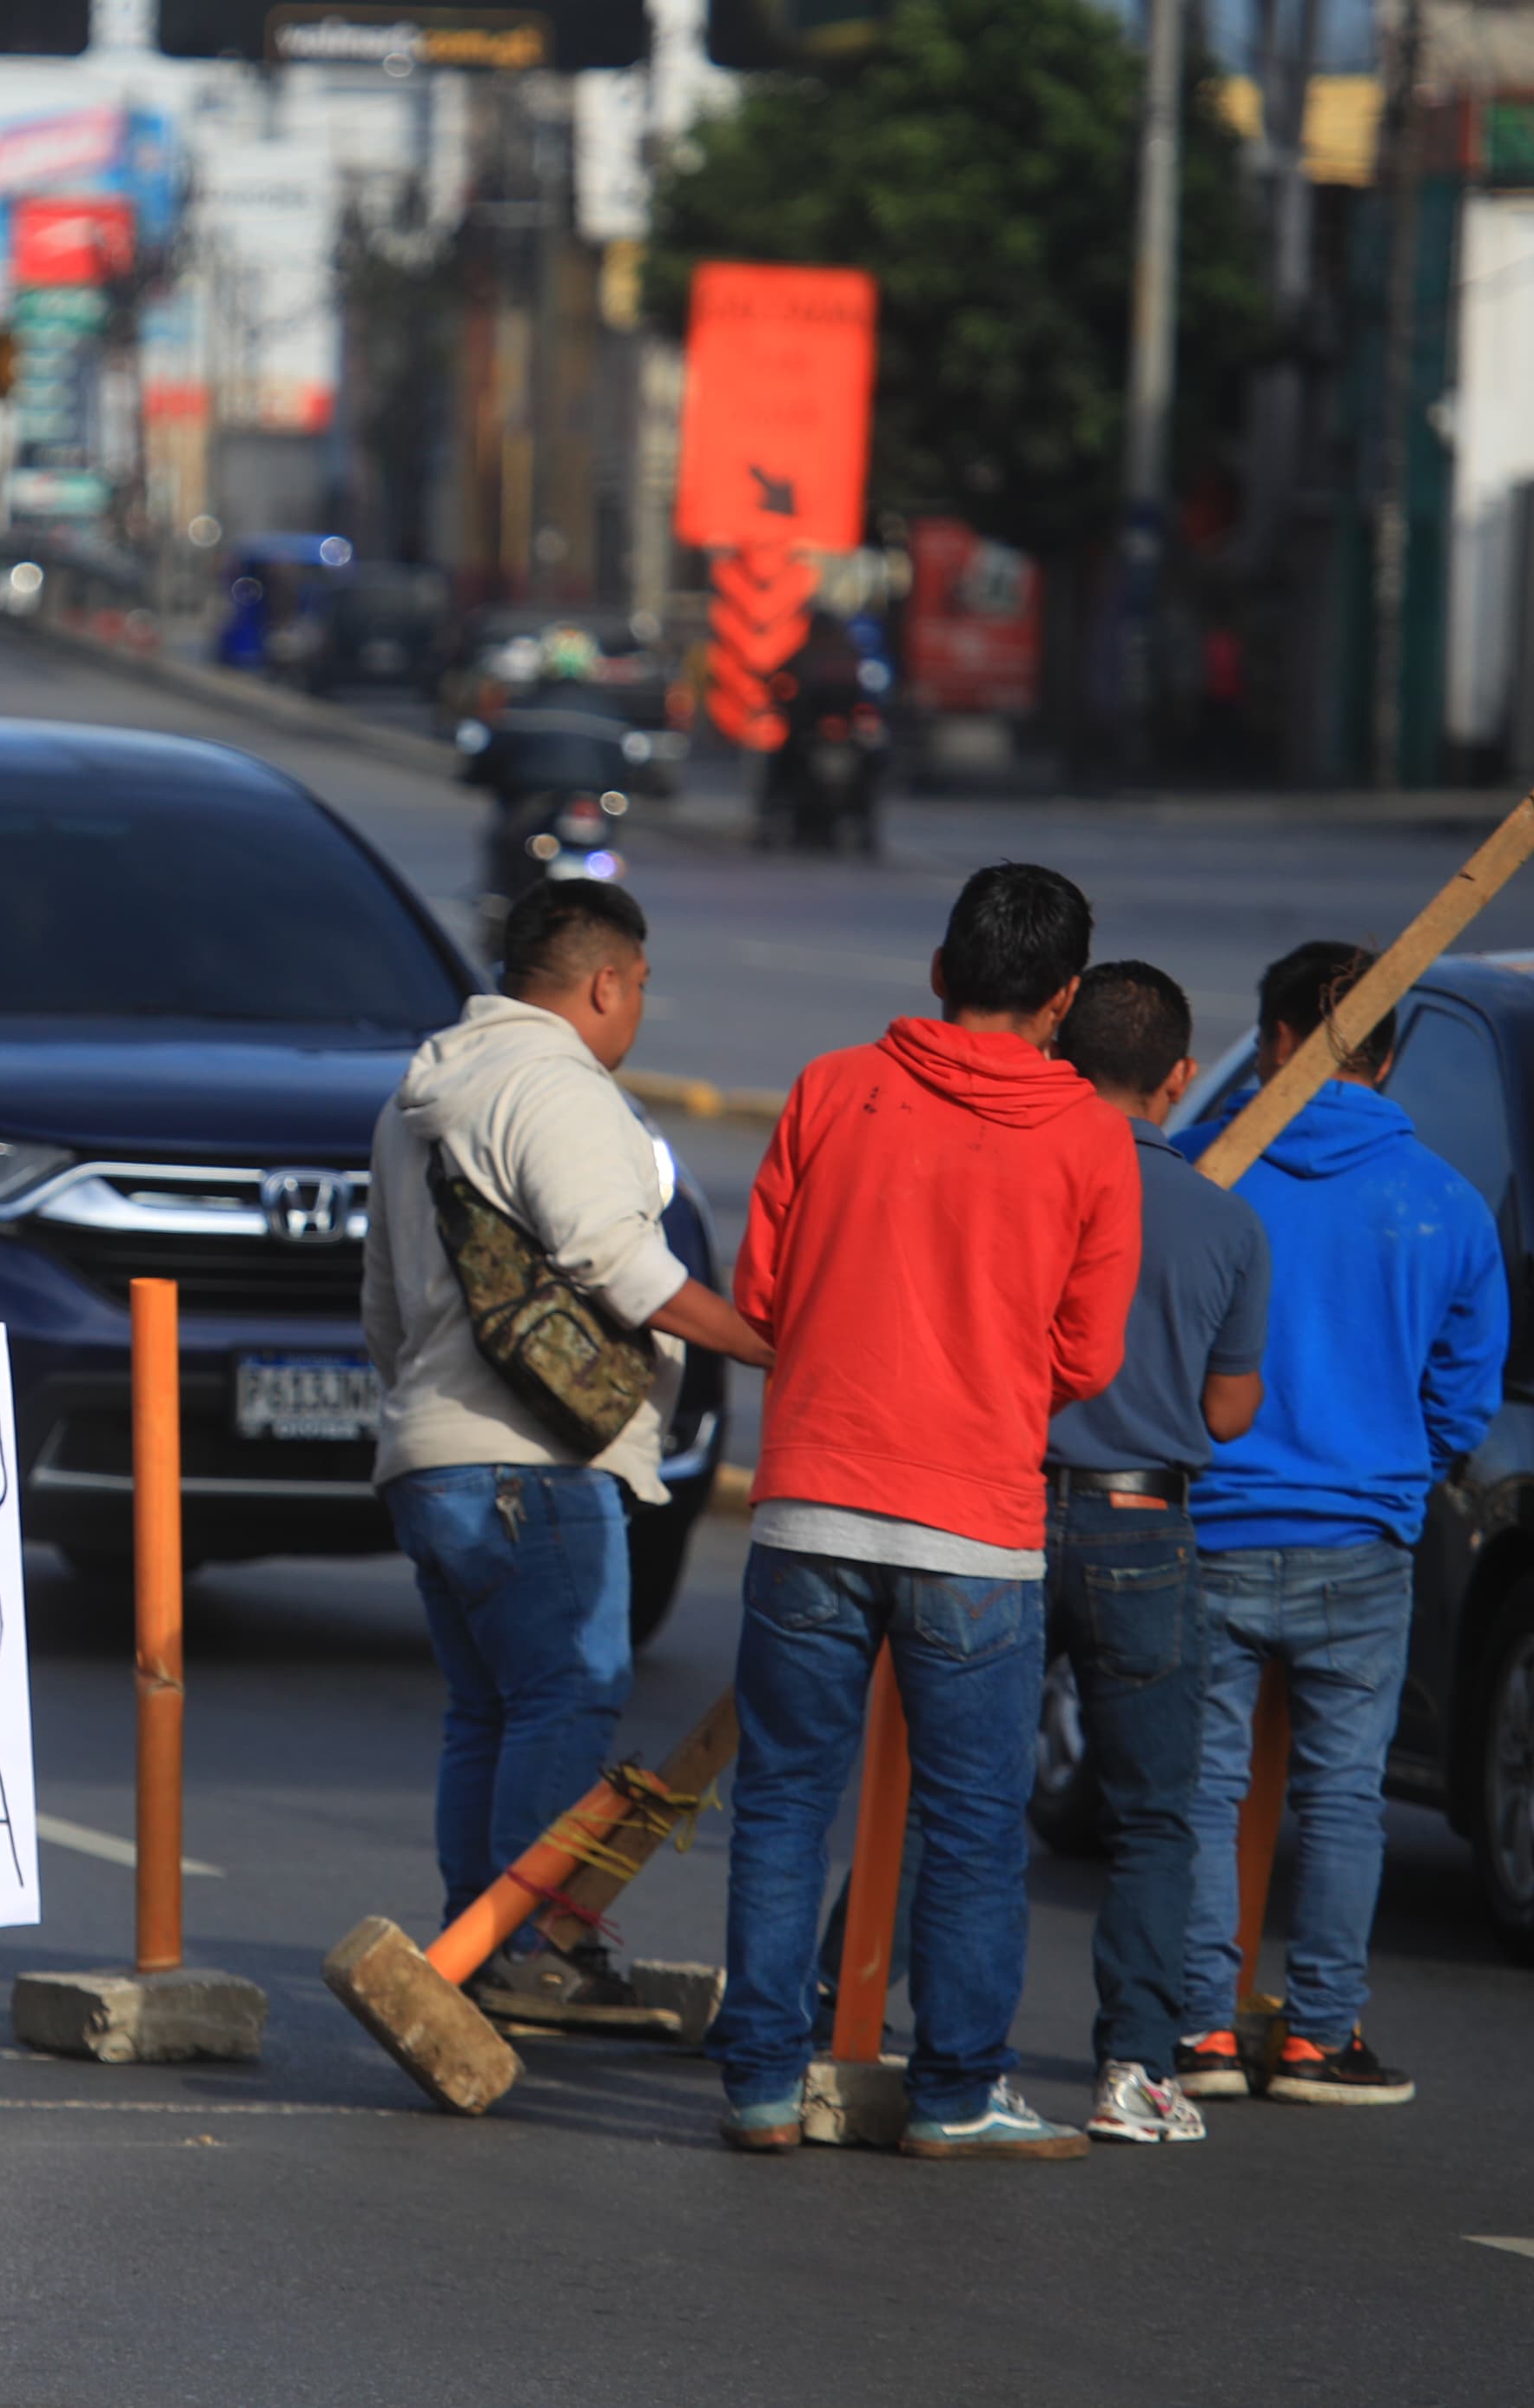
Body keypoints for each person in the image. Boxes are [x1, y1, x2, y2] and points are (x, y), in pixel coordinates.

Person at [708, 862, 1139, 2162]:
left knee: (785, 1801)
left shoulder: (833, 1089)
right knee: (968, 1822)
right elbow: (1088, 1357)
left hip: (809, 1509)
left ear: (942, 969)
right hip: (975, 1527)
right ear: (1062, 1000)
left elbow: (764, 1294)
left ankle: (763, 2087)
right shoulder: (1089, 1137)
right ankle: (957, 2093)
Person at [361, 880, 770, 2022]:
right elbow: (620, 1264)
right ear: (603, 983)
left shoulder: (417, 1096)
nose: (639, 1007)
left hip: (432, 1457)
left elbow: (384, 1307)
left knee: (486, 1711)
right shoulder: (561, 1088)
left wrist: (417, 1423)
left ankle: (477, 1936)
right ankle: (528, 1941)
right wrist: (767, 1344)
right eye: (639, 986)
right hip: (533, 1465)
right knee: (566, 1699)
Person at [1174, 942, 1505, 2107]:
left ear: (1274, 1041)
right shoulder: (1446, 1203)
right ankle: (1318, 2034)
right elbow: (1463, 1396)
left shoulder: (1209, 1175)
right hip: (1361, 1542)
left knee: (1204, 1790)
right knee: (1344, 1796)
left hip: (1210, 1528)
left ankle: (1202, 2033)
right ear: (1392, 1053)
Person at [1035, 961, 1270, 2146]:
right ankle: (1133, 2066)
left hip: (1005, 1512)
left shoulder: (1024, 1184)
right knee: (1156, 1818)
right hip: (1143, 1528)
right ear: (1180, 1078)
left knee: (952, 1793)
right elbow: (1229, 1414)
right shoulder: (1224, 1219)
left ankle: (844, 2003)